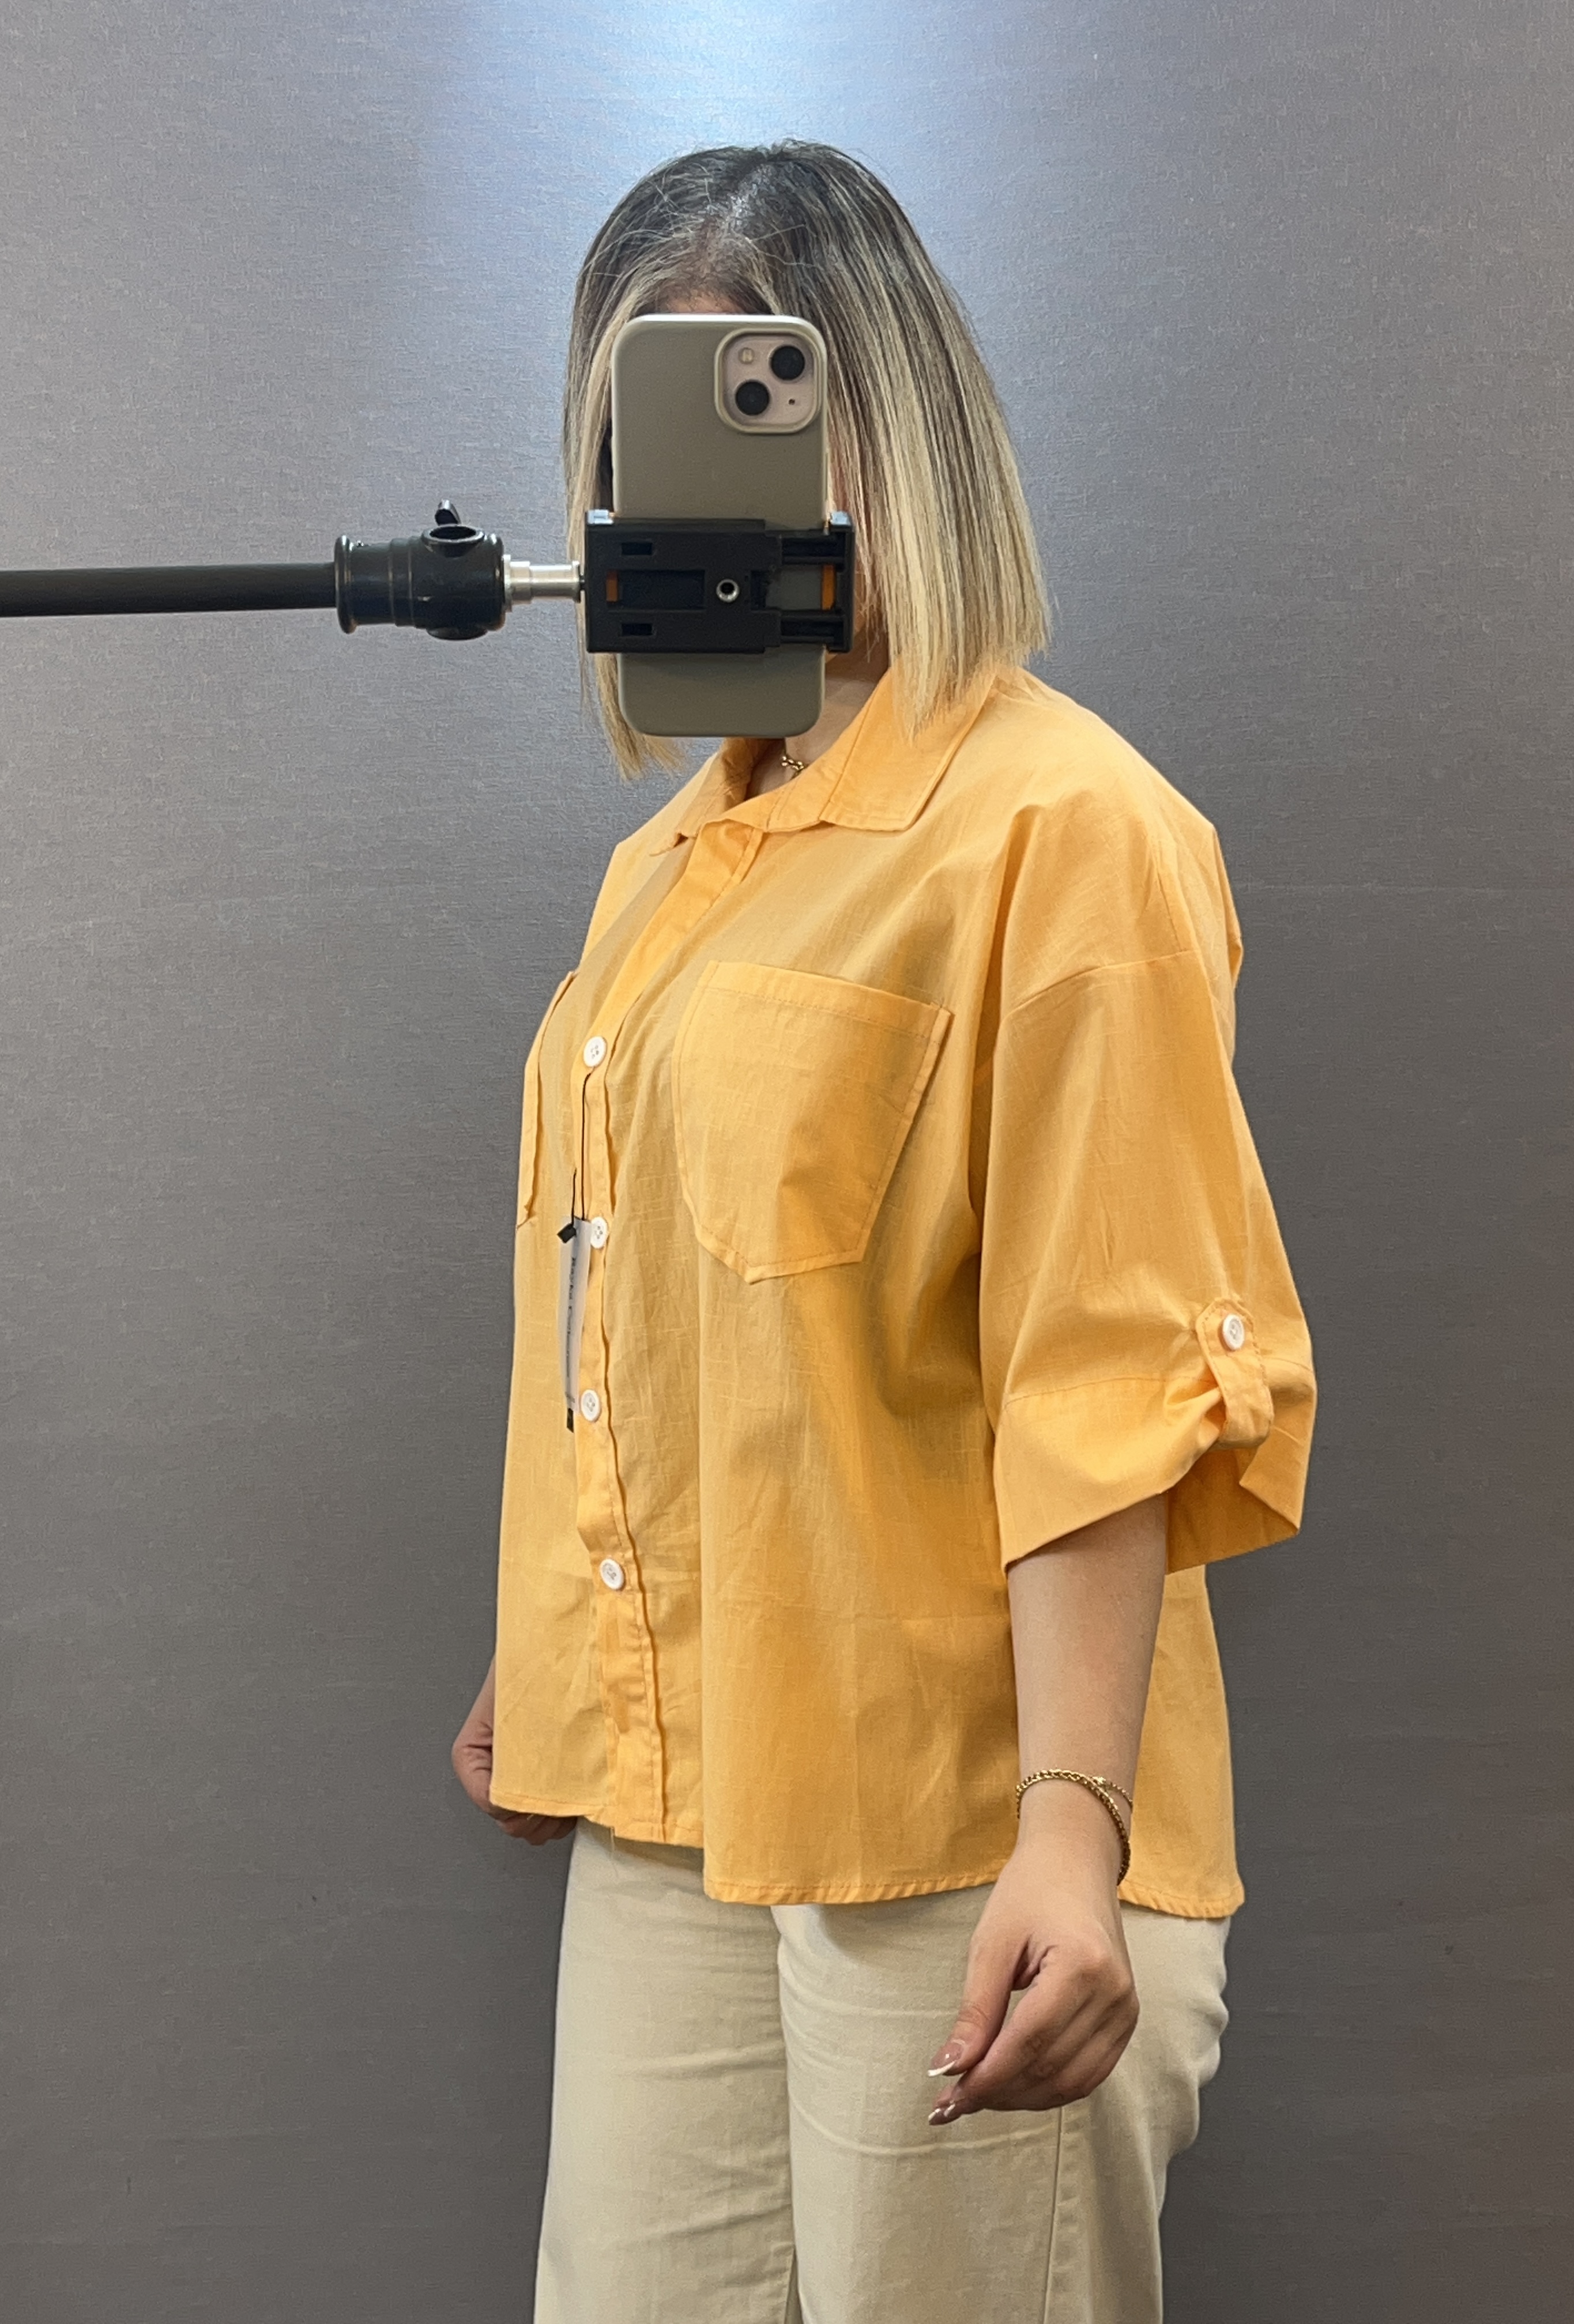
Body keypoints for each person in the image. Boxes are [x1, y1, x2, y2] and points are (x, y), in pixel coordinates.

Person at [451, 139, 1315, 2324]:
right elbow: (671, 1316)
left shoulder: (1064, 831)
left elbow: (1104, 1374)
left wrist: (1072, 1829)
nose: (689, 500)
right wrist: (577, 1661)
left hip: (967, 1821)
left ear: (894, 427)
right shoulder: (673, 863)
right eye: (638, 438)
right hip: (684, 1811)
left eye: (752, 420)